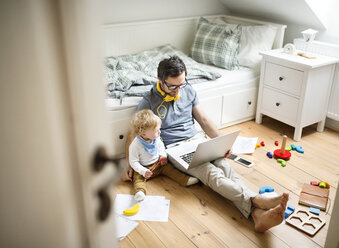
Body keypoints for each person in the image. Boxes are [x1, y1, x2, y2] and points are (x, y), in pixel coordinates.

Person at [123, 56, 289, 232]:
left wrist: (221, 142)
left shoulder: (188, 90)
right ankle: (255, 199)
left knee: (225, 167)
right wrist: (129, 163)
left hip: (198, 141)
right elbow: (132, 134)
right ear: (160, 81)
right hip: (174, 149)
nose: (178, 90)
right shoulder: (148, 101)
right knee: (211, 174)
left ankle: (256, 215)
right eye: (173, 86)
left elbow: (203, 119)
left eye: (182, 83)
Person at [128, 109, 199, 201]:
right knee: (138, 180)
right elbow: (133, 162)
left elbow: (161, 147)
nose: (160, 132)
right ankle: (140, 192)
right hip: (144, 168)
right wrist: (143, 170)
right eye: (156, 130)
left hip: (159, 164)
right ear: (143, 133)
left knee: (171, 170)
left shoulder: (156, 138)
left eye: (159, 129)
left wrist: (163, 156)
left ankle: (186, 180)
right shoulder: (135, 145)